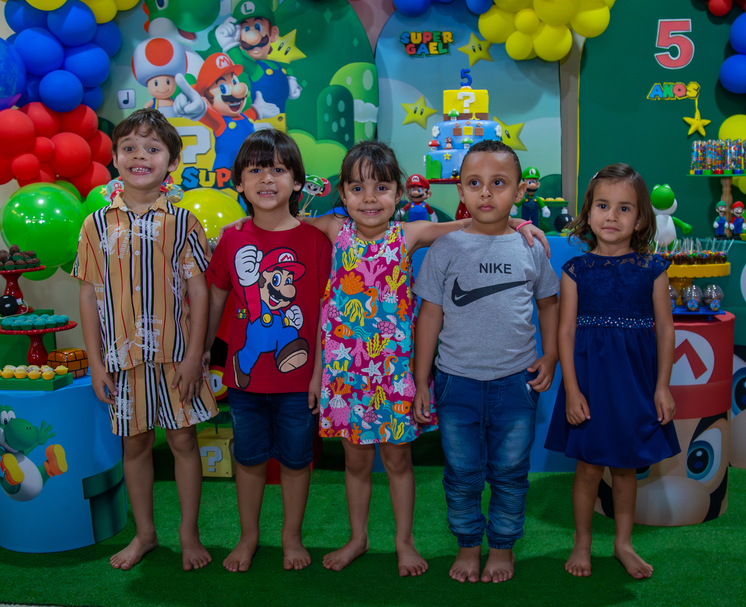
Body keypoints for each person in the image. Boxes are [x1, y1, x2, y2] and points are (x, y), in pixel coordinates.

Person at [225, 141, 548, 577]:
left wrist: (520, 221)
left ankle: (404, 542)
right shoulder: (333, 230)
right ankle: (357, 538)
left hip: (394, 375)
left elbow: (473, 220)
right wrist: (245, 223)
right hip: (346, 374)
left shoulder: (408, 235)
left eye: (381, 188)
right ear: (343, 193)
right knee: (356, 462)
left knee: (398, 461)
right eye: (357, 188)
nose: (370, 199)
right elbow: (279, 221)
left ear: (398, 193)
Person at [72, 108, 218, 572]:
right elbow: (89, 295)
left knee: (183, 441)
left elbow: (200, 292)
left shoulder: (183, 222)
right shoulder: (95, 224)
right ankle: (145, 534)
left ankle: (189, 534)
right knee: (134, 446)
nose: (140, 156)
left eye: (152, 149)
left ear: (171, 162)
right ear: (115, 158)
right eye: (130, 148)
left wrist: (195, 356)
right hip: (122, 360)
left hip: (176, 358)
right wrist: (96, 362)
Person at [412, 139, 561, 584]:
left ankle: (501, 547)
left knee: (511, 473)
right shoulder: (445, 248)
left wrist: (551, 354)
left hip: (516, 383)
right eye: (475, 183)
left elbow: (549, 304)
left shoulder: (531, 247)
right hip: (455, 383)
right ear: (460, 190)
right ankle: (466, 545)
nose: (486, 193)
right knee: (462, 474)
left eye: (499, 183)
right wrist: (421, 379)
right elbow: (429, 317)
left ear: (518, 190)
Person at [202, 129, 332, 573]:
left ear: (297, 182)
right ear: (239, 182)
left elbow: (324, 311)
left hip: (299, 381)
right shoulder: (232, 239)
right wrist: (203, 353)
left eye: (278, 169)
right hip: (245, 381)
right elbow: (216, 298)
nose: (267, 178)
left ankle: (291, 537)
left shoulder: (316, 241)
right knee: (249, 457)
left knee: (296, 460)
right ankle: (248, 536)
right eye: (255, 169)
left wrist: (317, 374)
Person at [543, 163, 679, 580]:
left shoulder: (653, 268)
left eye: (624, 208)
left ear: (639, 219)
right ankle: (582, 543)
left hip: (634, 384)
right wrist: (572, 390)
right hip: (589, 383)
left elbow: (666, 329)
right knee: (587, 469)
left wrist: (662, 387)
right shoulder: (576, 271)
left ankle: (623, 543)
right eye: (603, 206)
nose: (612, 216)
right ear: (588, 213)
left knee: (625, 468)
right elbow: (565, 332)